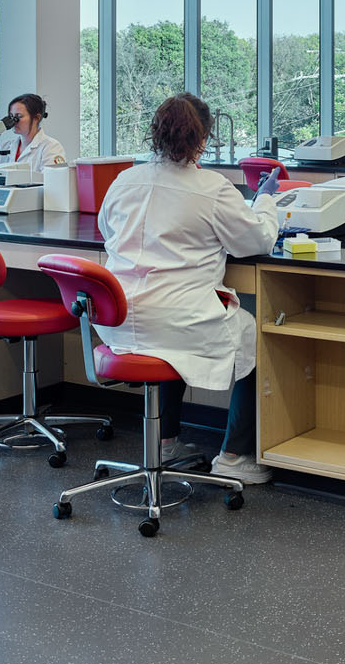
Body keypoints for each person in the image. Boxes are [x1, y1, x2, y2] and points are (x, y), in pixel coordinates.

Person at [95, 93, 282, 485]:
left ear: (155, 135)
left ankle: (164, 443)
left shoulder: (124, 180)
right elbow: (256, 241)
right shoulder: (210, 188)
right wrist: (265, 200)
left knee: (167, 335)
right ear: (202, 139)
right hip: (180, 318)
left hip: (119, 317)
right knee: (259, 337)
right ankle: (233, 455)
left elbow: (107, 231)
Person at [0, 93, 66, 167]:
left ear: (36, 118)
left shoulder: (51, 147)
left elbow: (53, 177)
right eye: (11, 116)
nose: (13, 122)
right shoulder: (6, 146)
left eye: (19, 116)